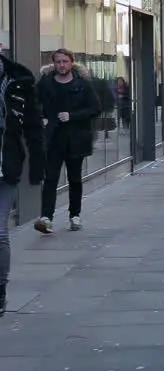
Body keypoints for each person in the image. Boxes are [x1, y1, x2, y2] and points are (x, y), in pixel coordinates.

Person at [35, 48, 101, 234]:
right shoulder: (45, 83)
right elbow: (34, 104)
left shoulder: (83, 85)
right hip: (53, 138)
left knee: (74, 179)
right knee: (50, 178)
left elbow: (95, 108)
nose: (61, 65)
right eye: (58, 62)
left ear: (71, 62)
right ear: (53, 64)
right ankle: (46, 218)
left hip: (76, 138)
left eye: (65, 61)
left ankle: (75, 216)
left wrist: (72, 116)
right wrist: (42, 117)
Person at [0, 49, 45, 315]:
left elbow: (33, 126)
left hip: (5, 167)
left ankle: (0, 291)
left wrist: (37, 167)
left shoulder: (19, 80)